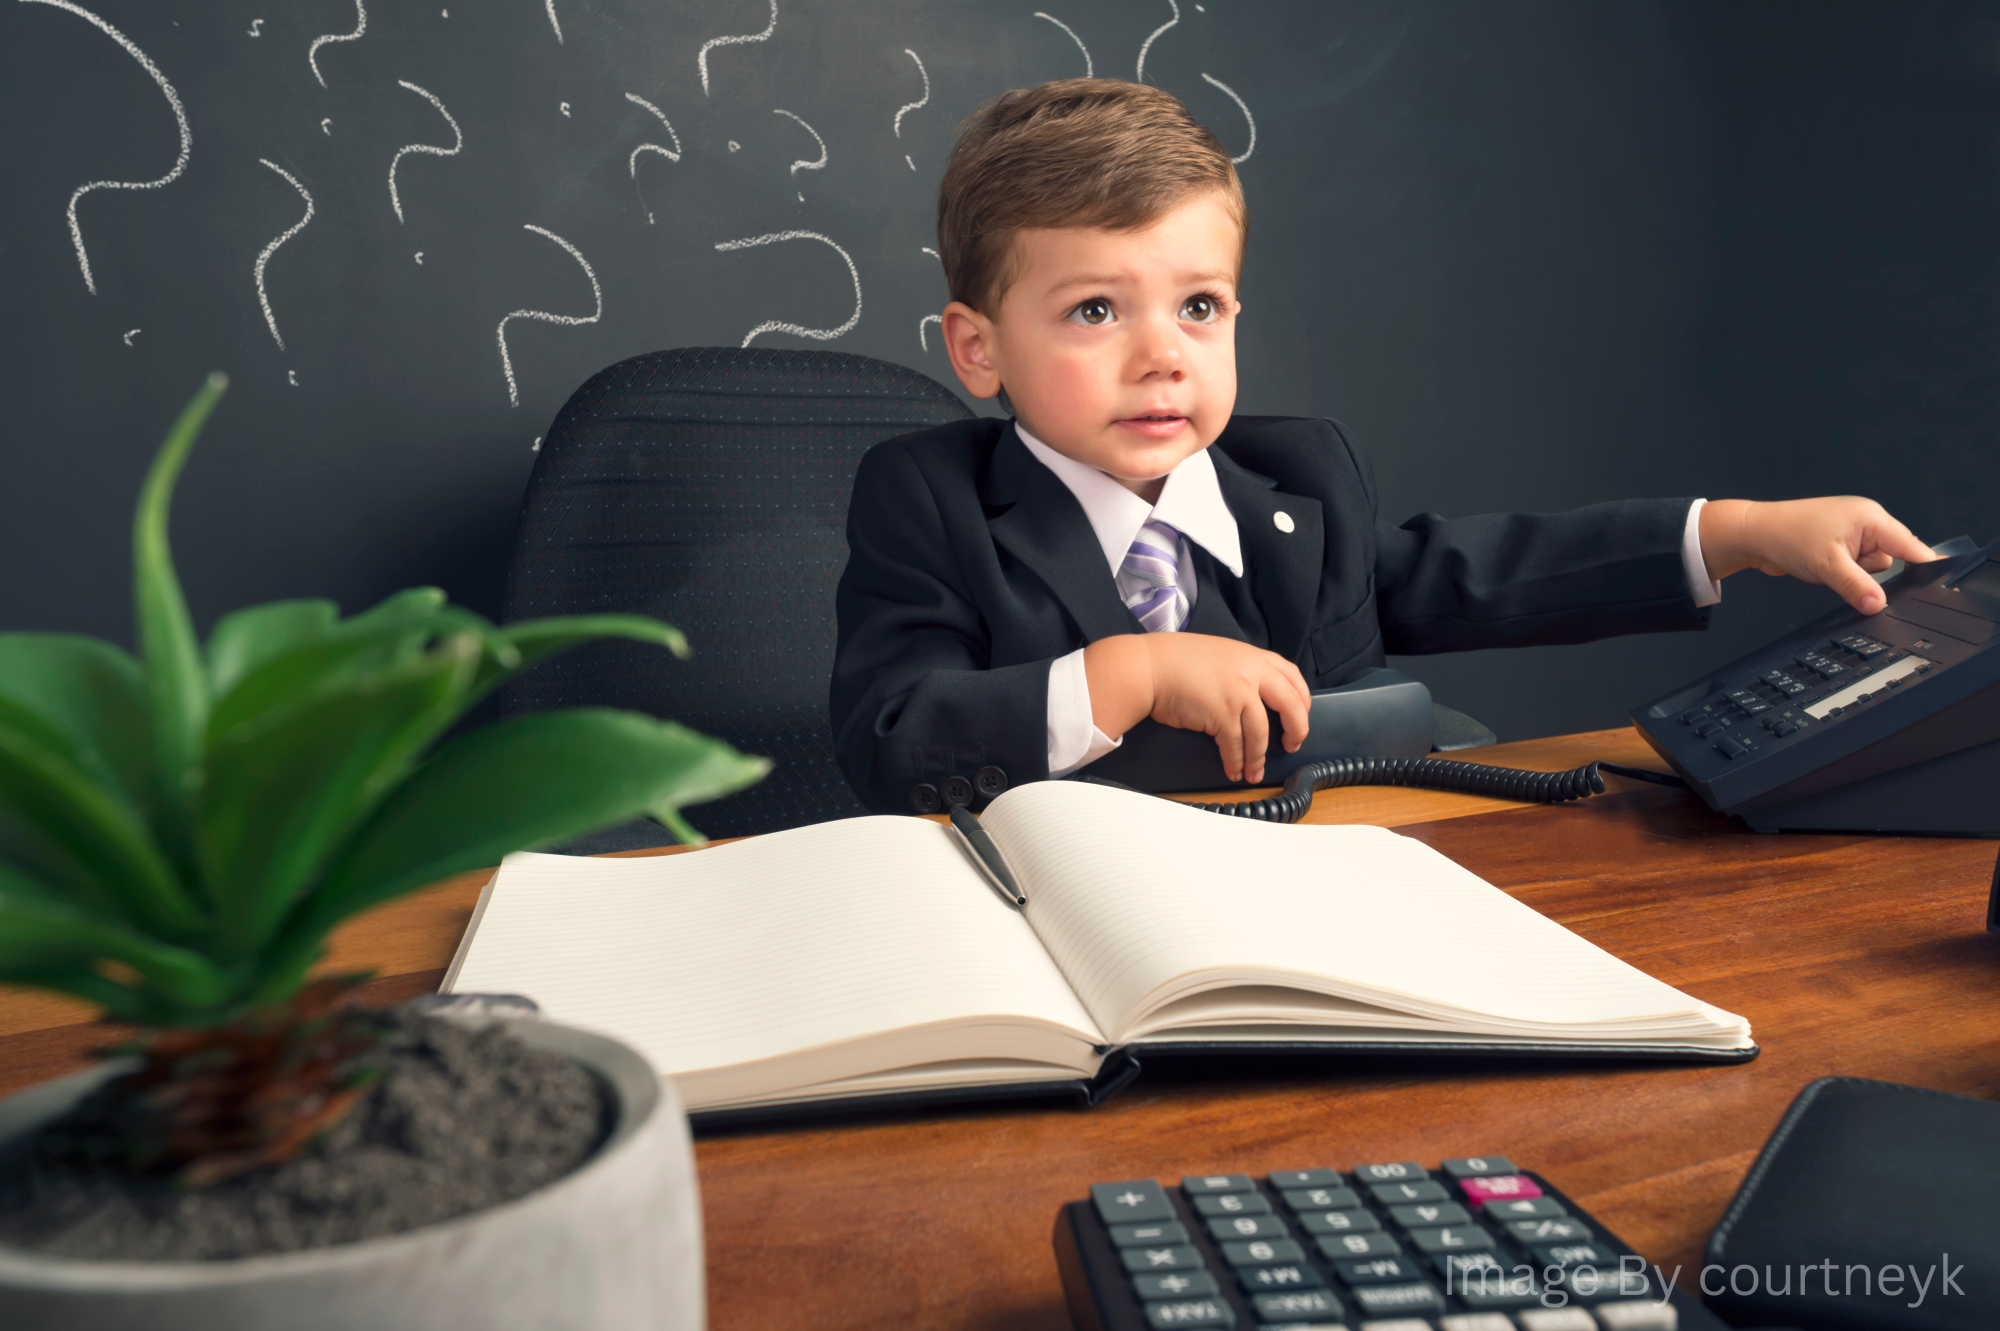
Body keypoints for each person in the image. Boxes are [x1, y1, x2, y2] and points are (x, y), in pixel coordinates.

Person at [830, 78, 1932, 815]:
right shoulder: (928, 499)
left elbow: (1462, 573)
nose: (1161, 355)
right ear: (976, 349)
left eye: (1199, 306)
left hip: (1325, 878)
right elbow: (891, 734)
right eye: (1093, 312)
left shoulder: (1299, 477)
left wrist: (1731, 534)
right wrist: (1133, 671)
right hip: (1065, 906)